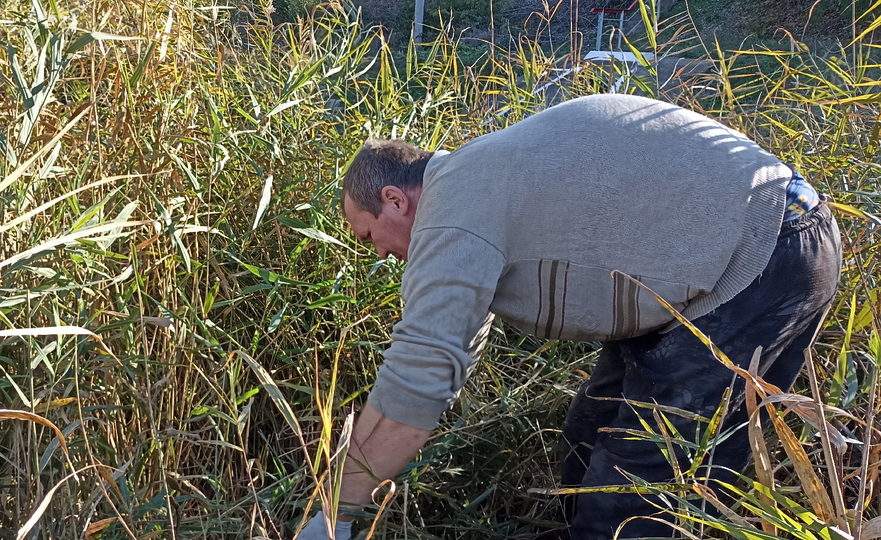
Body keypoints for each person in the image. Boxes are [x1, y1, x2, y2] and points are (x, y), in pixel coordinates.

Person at [295, 94, 841, 539]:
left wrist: (333, 514)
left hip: (762, 258)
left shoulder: (451, 209)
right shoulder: (477, 181)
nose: (383, 256)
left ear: (394, 199)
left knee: (637, 492)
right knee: (591, 436)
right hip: (757, 248)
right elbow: (451, 345)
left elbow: (418, 376)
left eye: (370, 237)